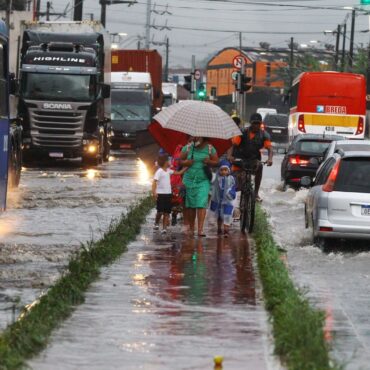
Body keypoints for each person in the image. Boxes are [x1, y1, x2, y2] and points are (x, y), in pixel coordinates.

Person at [227, 112, 273, 202]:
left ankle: (256, 193)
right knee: (239, 184)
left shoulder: (264, 135)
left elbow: (270, 149)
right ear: (250, 123)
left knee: (260, 166)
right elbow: (233, 145)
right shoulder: (242, 132)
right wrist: (229, 156)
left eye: (258, 123)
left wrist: (270, 159)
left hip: (253, 159)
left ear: (260, 124)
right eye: (254, 123)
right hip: (239, 159)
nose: (256, 125)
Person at [180, 137, 219, 237]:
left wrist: (209, 162)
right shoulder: (188, 147)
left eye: (198, 137)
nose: (195, 138)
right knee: (191, 205)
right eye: (194, 136)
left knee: (201, 203)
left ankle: (200, 230)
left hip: (203, 180)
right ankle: (192, 228)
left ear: (203, 137)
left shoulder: (210, 148)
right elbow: (180, 160)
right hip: (189, 180)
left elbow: (216, 162)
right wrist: (186, 163)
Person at [152, 154, 186, 234]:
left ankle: (164, 228)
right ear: (165, 162)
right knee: (160, 211)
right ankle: (156, 223)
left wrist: (187, 167)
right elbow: (154, 182)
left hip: (168, 194)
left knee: (167, 212)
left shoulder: (169, 171)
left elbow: (179, 172)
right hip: (160, 194)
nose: (170, 162)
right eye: (168, 160)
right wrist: (154, 192)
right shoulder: (159, 171)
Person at [210, 160, 236, 237]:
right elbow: (211, 180)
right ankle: (219, 228)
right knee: (219, 216)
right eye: (222, 170)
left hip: (228, 200)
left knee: (227, 215)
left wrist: (231, 193)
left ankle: (226, 231)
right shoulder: (216, 178)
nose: (224, 172)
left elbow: (233, 187)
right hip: (218, 200)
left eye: (225, 170)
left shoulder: (231, 178)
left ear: (229, 171)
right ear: (219, 170)